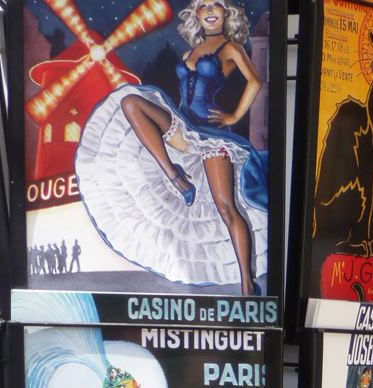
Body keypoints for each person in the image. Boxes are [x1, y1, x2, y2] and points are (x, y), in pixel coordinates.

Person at [75, 0, 268, 294]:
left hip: (211, 136)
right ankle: (176, 177)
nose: (211, 11)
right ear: (197, 15)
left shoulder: (230, 48)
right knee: (130, 102)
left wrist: (234, 116)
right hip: (183, 126)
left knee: (226, 207)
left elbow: (254, 81)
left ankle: (246, 283)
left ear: (226, 13)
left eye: (217, 5)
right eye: (204, 7)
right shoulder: (191, 52)